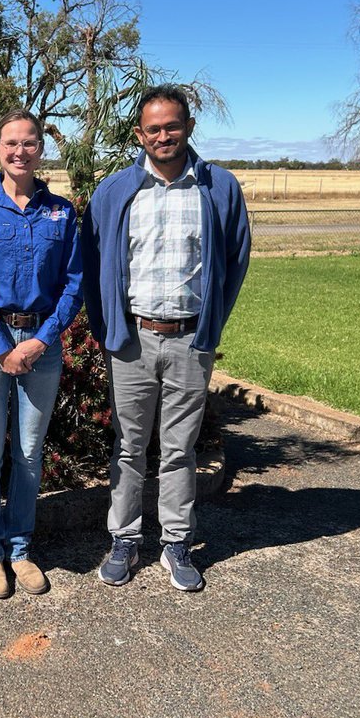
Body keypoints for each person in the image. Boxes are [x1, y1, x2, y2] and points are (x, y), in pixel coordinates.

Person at [80, 84, 250, 592]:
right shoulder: (115, 191)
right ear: (139, 134)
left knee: (180, 448)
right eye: (153, 128)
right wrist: (107, 328)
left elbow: (235, 261)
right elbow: (93, 266)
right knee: (130, 446)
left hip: (189, 341)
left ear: (189, 127)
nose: (163, 135)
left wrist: (212, 323)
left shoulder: (219, 188)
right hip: (132, 340)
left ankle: (176, 544)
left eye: (172, 126)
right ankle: (124, 540)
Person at [0, 108, 83, 598]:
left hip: (41, 346)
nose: (20, 151)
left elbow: (73, 285)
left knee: (29, 453)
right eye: (11, 142)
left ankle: (21, 548)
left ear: (40, 148)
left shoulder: (62, 212)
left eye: (29, 142)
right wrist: (3, 346)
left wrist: (40, 340)